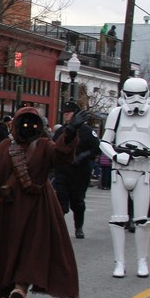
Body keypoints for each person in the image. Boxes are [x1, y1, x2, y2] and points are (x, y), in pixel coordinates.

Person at [0, 106, 88, 298]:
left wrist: (70, 132)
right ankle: (7, 288)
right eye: (24, 123)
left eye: (33, 123)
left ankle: (21, 287)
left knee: (31, 249)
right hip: (9, 210)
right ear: (16, 124)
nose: (28, 128)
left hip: (37, 209)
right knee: (8, 250)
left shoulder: (44, 146)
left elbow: (61, 156)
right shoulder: (5, 147)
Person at [98, 77, 150, 278]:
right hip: (119, 170)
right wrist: (116, 155)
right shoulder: (116, 114)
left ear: (147, 95)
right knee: (118, 219)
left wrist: (148, 152)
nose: (135, 100)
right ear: (123, 95)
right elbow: (105, 141)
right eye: (131, 95)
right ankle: (119, 261)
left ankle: (142, 260)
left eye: (140, 95)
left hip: (142, 171)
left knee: (142, 220)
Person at [51, 101, 100, 239]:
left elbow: (96, 148)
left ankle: (79, 226)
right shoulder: (62, 131)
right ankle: (58, 228)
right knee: (60, 200)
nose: (66, 115)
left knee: (77, 201)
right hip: (62, 171)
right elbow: (54, 147)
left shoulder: (87, 131)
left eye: (69, 113)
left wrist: (84, 156)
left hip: (80, 171)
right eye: (64, 113)